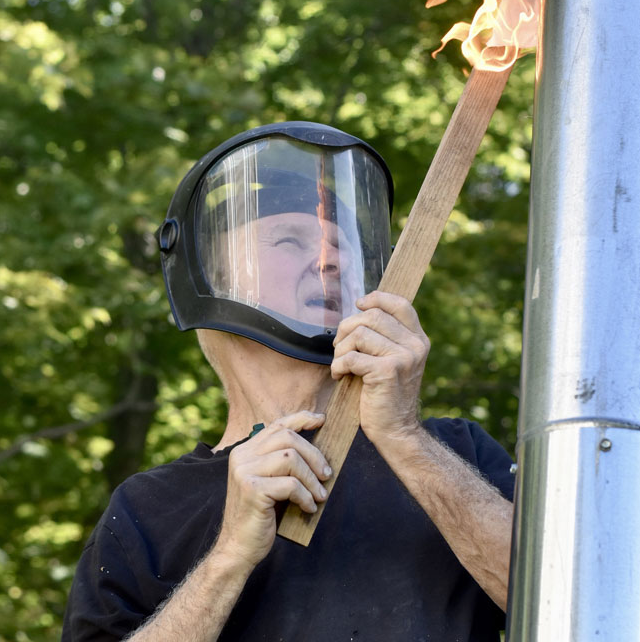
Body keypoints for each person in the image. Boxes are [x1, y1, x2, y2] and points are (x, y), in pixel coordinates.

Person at [62, 122, 516, 641]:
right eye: (289, 240)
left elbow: (573, 604)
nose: (331, 259)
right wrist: (229, 556)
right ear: (212, 279)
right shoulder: (146, 509)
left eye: (342, 246)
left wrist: (404, 438)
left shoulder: (458, 453)